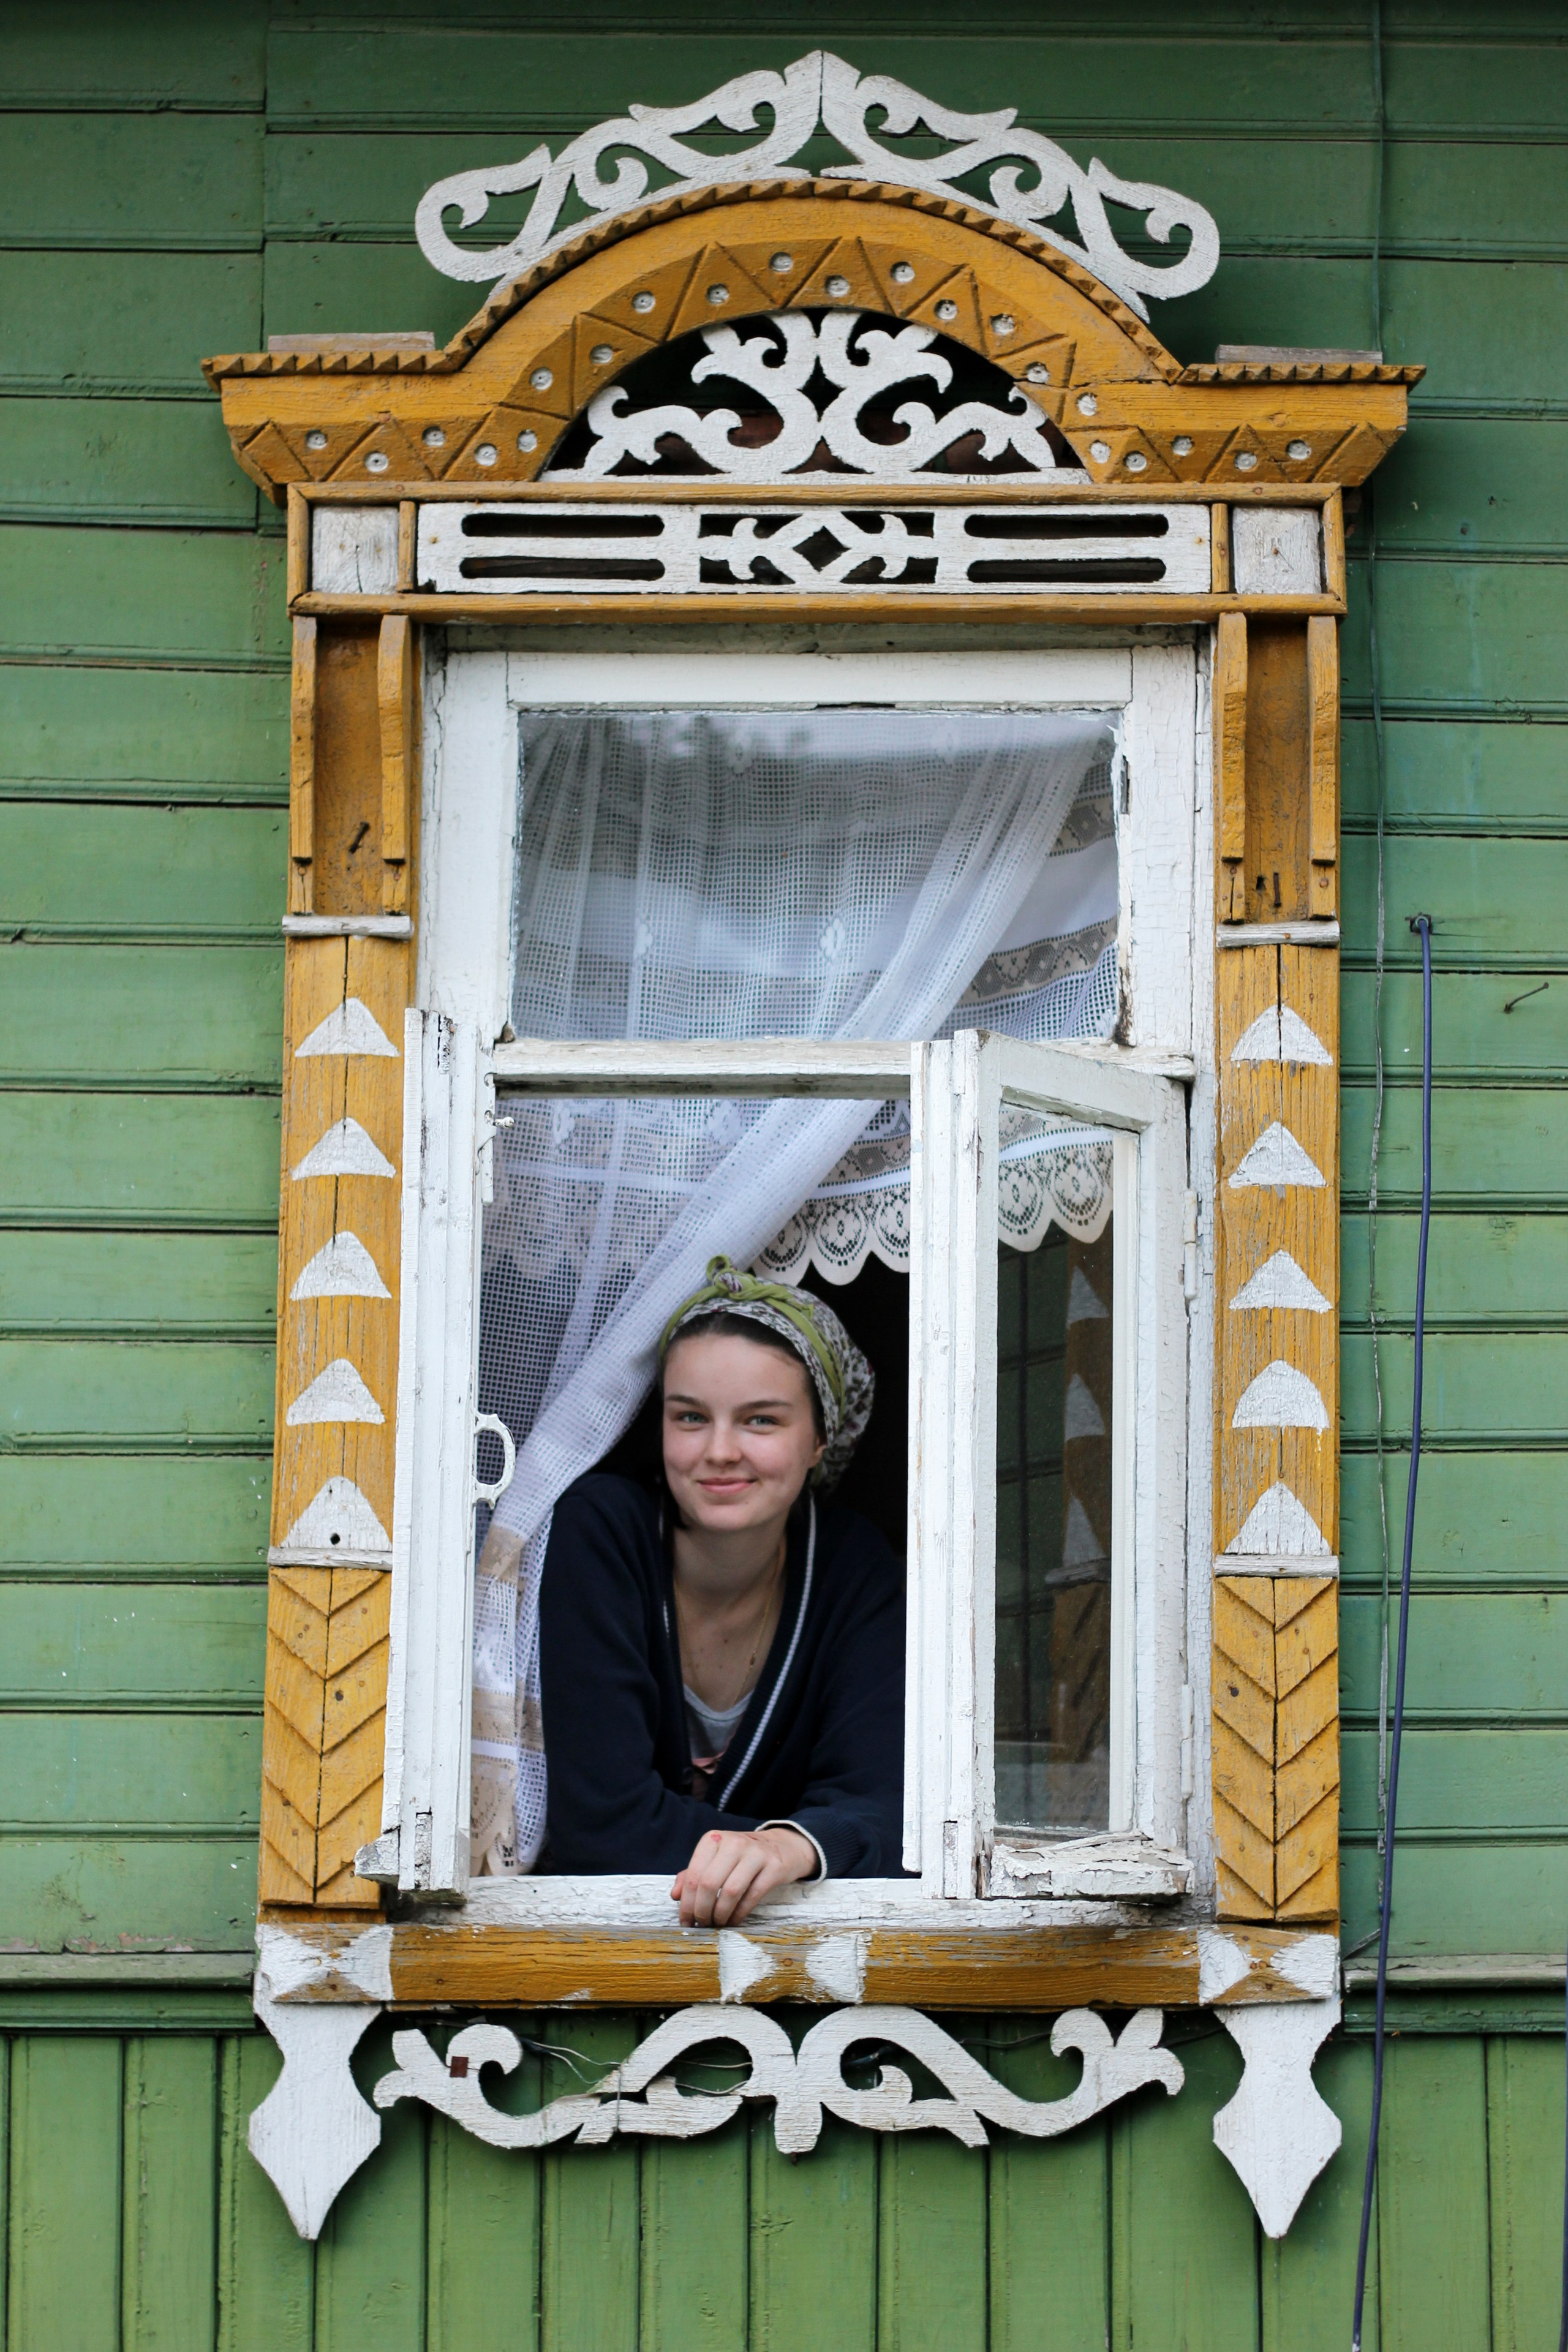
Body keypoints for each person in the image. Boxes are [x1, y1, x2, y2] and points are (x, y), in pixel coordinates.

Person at [537, 1257, 905, 1926]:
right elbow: (599, 1831)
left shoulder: (854, 1570)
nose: (720, 1450)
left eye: (761, 1421)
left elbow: (886, 1812)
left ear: (821, 1437)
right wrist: (792, 1840)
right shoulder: (604, 1533)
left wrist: (793, 1847)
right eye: (690, 1418)